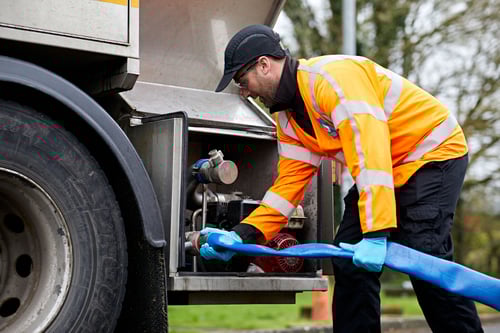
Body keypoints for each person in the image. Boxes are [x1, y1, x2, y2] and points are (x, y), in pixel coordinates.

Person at [202, 24, 483, 333]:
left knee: (423, 255)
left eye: (243, 81)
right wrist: (244, 234)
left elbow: (369, 152)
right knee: (348, 256)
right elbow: (287, 188)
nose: (244, 91)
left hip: (432, 152)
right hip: (388, 167)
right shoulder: (289, 119)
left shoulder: (331, 81)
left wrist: (377, 233)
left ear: (264, 65)